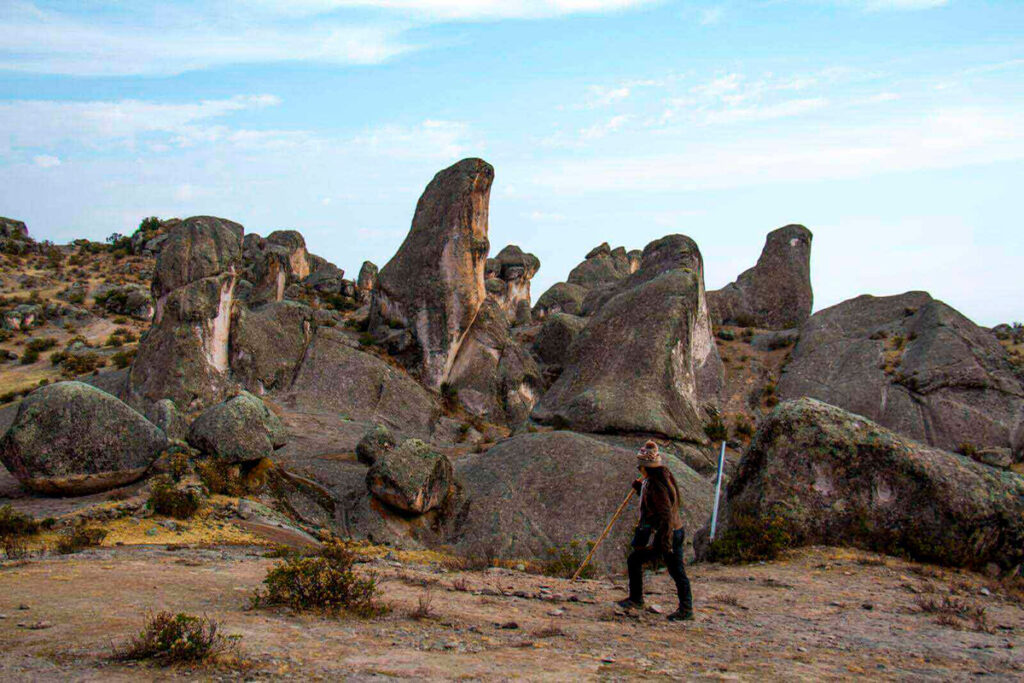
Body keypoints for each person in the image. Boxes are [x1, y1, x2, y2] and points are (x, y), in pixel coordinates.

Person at [617, 440, 694, 621]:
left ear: (646, 468)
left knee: (671, 569)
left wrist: (664, 542)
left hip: (668, 533)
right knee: (668, 568)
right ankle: (682, 607)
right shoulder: (664, 476)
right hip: (675, 530)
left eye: (640, 466)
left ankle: (685, 609)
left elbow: (665, 514)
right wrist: (639, 490)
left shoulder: (655, 485)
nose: (638, 469)